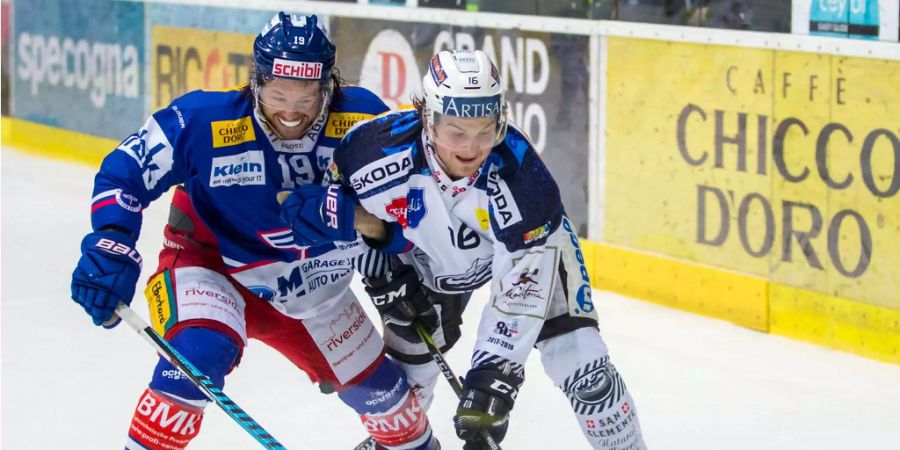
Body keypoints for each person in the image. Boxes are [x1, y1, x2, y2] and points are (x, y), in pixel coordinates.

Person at [70, 12, 439, 450]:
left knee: (393, 408)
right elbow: (124, 173)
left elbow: (416, 212)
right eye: (276, 92)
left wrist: (384, 239)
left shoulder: (365, 122)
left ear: (329, 86)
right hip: (209, 267)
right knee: (195, 361)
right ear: (255, 81)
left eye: (305, 96)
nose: (289, 111)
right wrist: (111, 240)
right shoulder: (205, 121)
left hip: (316, 284)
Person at [284, 50, 646, 449]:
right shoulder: (369, 152)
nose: (471, 148)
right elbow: (345, 219)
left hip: (531, 263)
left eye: (485, 130)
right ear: (427, 118)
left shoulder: (522, 176)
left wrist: (494, 375)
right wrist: (379, 265)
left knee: (585, 371)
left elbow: (522, 287)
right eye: (456, 131)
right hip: (426, 262)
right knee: (404, 389)